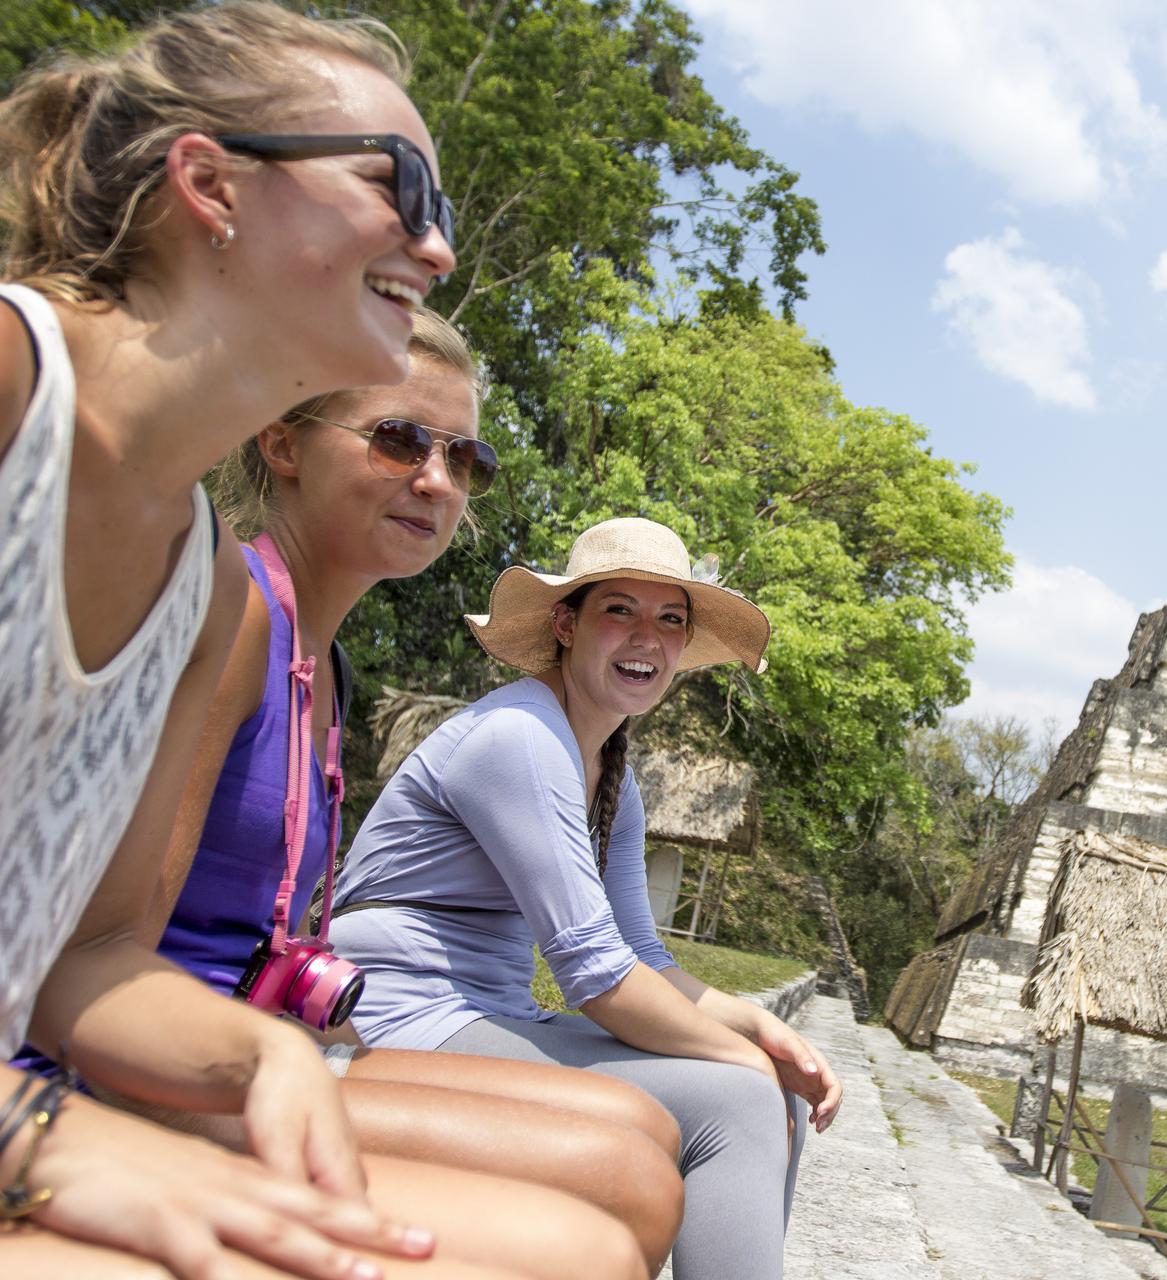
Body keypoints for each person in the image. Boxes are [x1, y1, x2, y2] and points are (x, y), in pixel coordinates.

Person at [0, 6, 635, 1276]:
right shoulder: (15, 390)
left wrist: (269, 1052)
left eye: (467, 456)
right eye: (393, 183)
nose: (439, 247)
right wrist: (41, 1133)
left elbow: (93, 957)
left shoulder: (191, 566)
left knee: (581, 1247)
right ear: (209, 183)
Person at [127, 311, 681, 1276]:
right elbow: (114, 964)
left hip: (277, 1047)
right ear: (283, 440)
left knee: (639, 1141)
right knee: (612, 1201)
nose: (437, 479)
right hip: (167, 1079)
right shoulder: (234, 613)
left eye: (465, 459)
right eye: (398, 439)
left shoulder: (327, 668)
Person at [331, 518, 845, 1280]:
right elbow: (596, 978)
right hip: (396, 1017)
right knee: (739, 1099)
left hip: (490, 1013)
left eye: (671, 619)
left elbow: (643, 954)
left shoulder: (611, 772)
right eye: (620, 611)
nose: (648, 637)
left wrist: (762, 1027)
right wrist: (743, 1059)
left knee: (763, 1082)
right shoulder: (517, 737)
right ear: (566, 625)